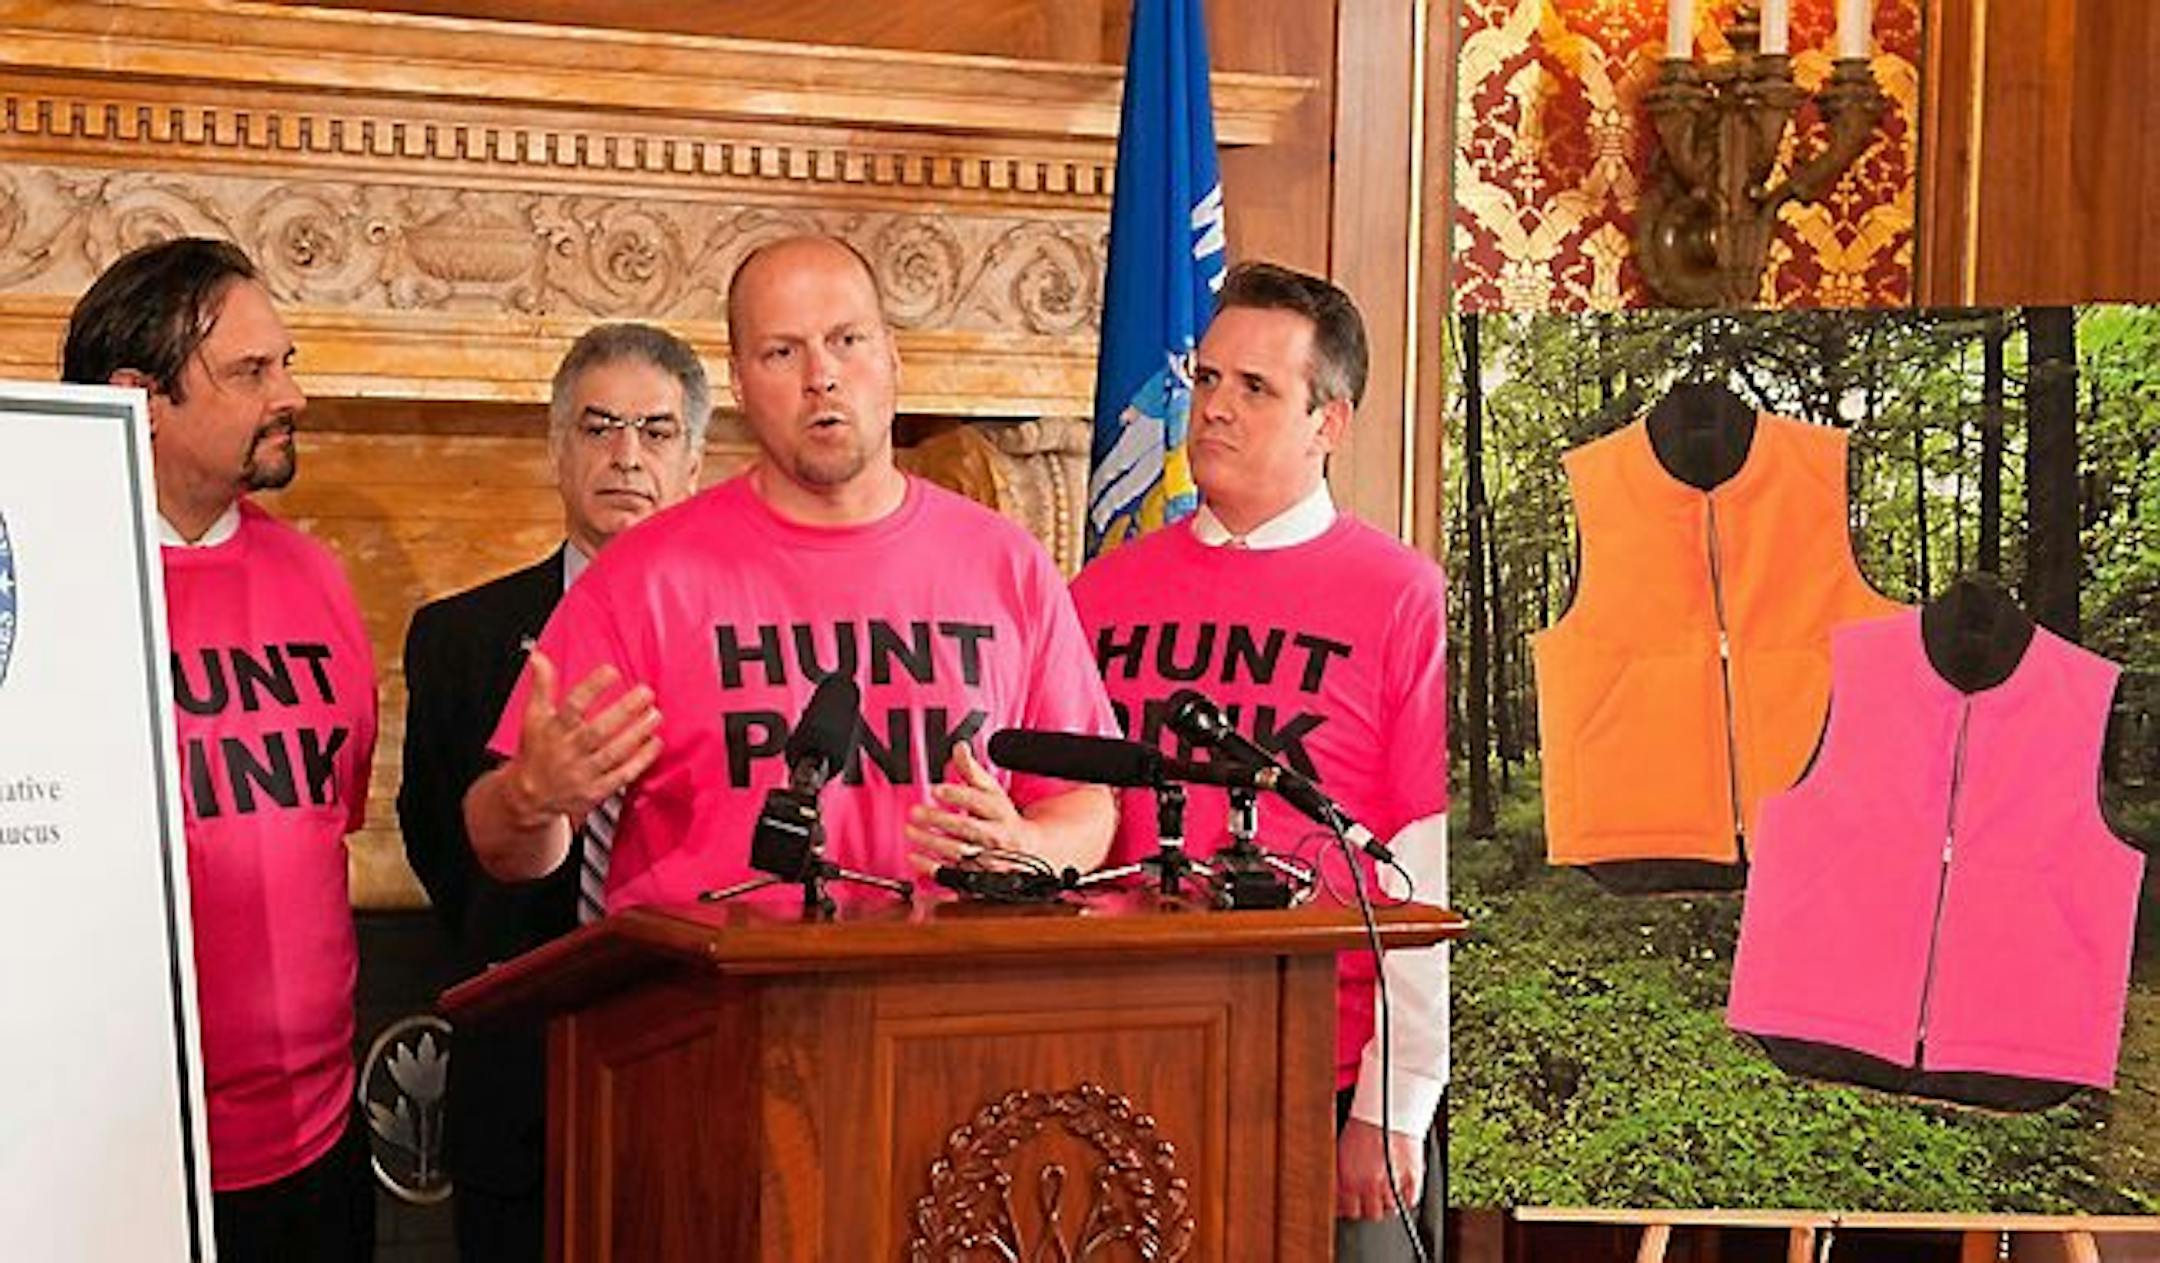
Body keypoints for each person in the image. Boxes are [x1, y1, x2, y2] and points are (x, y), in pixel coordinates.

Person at [462, 234, 1117, 910]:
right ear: (740, 383)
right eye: (782, 352)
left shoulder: (1007, 563)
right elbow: (502, 846)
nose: (821, 376)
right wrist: (529, 797)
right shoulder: (643, 577)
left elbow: (1085, 808)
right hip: (709, 997)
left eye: (848, 341)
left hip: (943, 990)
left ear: (893, 358)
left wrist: (1024, 845)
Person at [1069, 261, 1450, 1261]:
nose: (1216, 411)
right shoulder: (1099, 597)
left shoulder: (1401, 597)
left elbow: (1427, 868)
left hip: (1323, 1067)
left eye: (1255, 389)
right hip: (1120, 1052)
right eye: (1207, 380)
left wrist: (1395, 1100)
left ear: (1331, 421)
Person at [62, 237, 379, 1262]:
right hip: (113, 1158)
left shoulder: (320, 579)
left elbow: (334, 812)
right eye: (251, 372)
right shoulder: (51, 589)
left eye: (284, 361)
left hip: (322, 1142)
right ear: (137, 399)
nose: (292, 394)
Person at [397, 323, 708, 1261]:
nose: (625, 456)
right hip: (522, 1073)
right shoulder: (457, 638)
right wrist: (532, 800)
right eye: (598, 426)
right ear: (556, 449)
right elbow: (442, 858)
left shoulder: (745, 633)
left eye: (655, 432)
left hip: (701, 1056)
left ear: (694, 461)